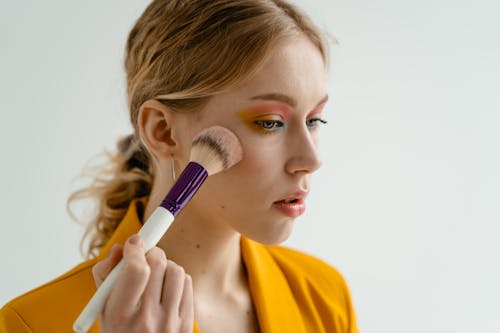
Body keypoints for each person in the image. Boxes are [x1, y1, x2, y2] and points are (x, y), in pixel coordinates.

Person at [0, 0, 358, 332]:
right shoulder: (29, 323)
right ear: (164, 132)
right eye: (269, 122)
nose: (311, 160)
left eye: (315, 121)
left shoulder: (324, 297)